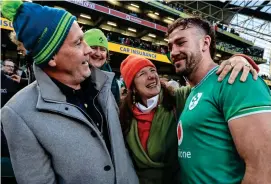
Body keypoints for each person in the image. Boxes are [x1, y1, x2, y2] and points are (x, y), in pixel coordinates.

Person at [1, 1, 138, 184]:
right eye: (78, 43)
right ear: (51, 57)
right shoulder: (18, 113)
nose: (88, 50)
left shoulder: (103, 84)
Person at [119, 54, 258, 184]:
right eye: (142, 74)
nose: (151, 76)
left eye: (152, 70)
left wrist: (238, 59)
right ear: (133, 87)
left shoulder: (177, 99)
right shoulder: (123, 115)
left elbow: (210, 84)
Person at [167, 17, 271, 184]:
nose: (173, 52)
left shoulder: (237, 79)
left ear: (205, 43)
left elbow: (264, 166)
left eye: (181, 42)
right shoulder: (193, 91)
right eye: (170, 46)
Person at [84, 28, 120, 104]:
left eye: (103, 49)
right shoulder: (73, 75)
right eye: (93, 48)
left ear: (107, 55)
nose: (98, 54)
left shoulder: (112, 81)